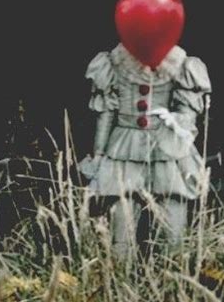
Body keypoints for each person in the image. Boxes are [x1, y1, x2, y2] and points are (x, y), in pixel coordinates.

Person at [80, 42, 211, 257]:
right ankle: (119, 279)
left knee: (172, 223)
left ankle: (172, 279)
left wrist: (176, 120)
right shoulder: (113, 63)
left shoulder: (181, 65)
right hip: (123, 148)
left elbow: (189, 117)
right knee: (121, 221)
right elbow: (106, 114)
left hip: (167, 150)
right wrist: (99, 154)